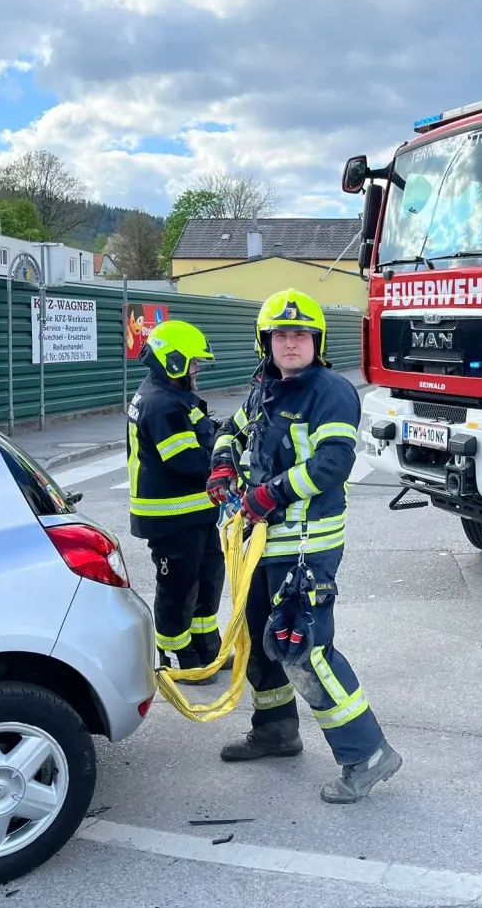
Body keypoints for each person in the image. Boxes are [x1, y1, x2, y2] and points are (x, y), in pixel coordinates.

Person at [208, 288, 402, 804]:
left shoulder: (331, 391)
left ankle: (367, 753)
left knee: (303, 651)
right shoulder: (266, 389)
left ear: (316, 341)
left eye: (300, 334)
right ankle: (276, 730)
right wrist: (224, 464)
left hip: (304, 547)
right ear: (265, 342)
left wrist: (268, 495)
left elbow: (334, 463)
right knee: (257, 639)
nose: (290, 343)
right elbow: (233, 428)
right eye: (280, 334)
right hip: (259, 544)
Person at [127, 318, 226, 685]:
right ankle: (176, 656)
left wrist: (226, 434)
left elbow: (207, 431)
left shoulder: (175, 397)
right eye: (193, 361)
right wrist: (227, 460)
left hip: (195, 512)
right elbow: (188, 461)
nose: (197, 368)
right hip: (170, 516)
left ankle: (205, 645)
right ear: (172, 361)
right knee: (178, 587)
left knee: (208, 576)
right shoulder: (161, 405)